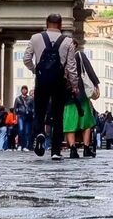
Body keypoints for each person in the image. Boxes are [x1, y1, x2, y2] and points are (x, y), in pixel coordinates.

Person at [23, 13, 79, 160]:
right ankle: (55, 151)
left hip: (42, 80)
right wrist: (74, 85)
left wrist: (35, 70)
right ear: (60, 25)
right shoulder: (68, 42)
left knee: (39, 111)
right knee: (58, 115)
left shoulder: (35, 38)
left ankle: (40, 133)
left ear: (46, 23)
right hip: (59, 81)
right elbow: (72, 67)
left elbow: (26, 58)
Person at [64, 40, 100, 159]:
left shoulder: (60, 57)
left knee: (69, 122)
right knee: (86, 122)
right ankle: (85, 148)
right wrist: (96, 84)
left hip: (67, 95)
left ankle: (73, 149)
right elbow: (89, 70)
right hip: (80, 93)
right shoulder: (79, 55)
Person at [13, 86, 33, 151]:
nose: (24, 91)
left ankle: (25, 146)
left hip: (28, 116)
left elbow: (33, 107)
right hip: (20, 116)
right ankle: (20, 145)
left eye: (25, 89)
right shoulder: (18, 99)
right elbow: (15, 108)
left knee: (27, 131)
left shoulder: (30, 98)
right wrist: (14, 118)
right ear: (21, 90)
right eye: (23, 89)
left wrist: (32, 113)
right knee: (21, 130)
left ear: (27, 90)